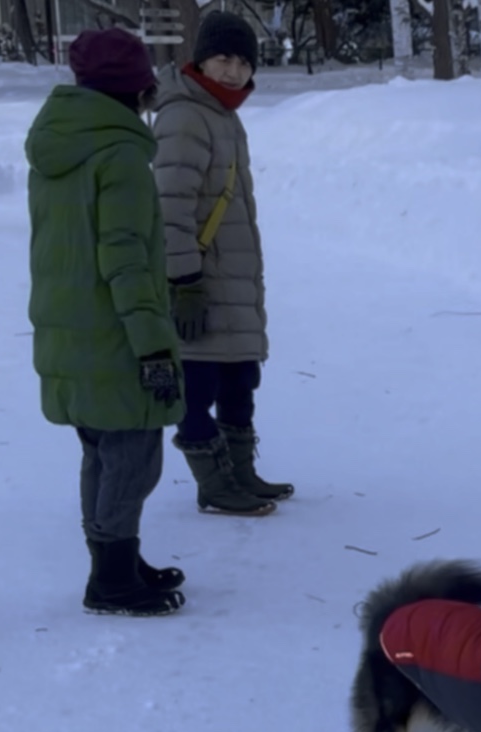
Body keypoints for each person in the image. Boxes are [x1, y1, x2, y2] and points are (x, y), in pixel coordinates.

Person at [26, 28, 186, 617]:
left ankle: (114, 560)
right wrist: (152, 349)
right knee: (132, 456)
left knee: (99, 451)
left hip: (70, 330)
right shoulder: (119, 154)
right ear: (136, 85)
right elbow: (124, 259)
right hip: (115, 335)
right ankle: (112, 581)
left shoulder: (58, 143)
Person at [154, 10, 292, 516]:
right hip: (202, 281)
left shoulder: (220, 113)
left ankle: (239, 473)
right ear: (201, 60)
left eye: (242, 61)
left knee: (240, 378)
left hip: (230, 280)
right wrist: (185, 281)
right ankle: (214, 484)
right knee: (200, 388)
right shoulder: (186, 114)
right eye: (222, 59)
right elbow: (172, 208)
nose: (234, 71)